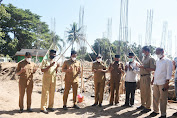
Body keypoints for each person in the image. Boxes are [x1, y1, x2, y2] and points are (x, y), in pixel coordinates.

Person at [150, 48, 173, 118]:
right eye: (156, 53)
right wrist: (153, 79)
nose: (157, 54)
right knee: (155, 97)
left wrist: (167, 82)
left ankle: (163, 114)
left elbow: (169, 72)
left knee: (163, 99)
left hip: (163, 82)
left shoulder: (167, 61)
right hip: (156, 82)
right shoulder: (157, 61)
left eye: (158, 52)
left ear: (162, 52)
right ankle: (155, 111)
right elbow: (156, 71)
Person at [137, 46, 156, 113]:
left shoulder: (151, 59)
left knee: (148, 92)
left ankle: (148, 107)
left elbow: (153, 69)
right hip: (142, 77)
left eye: (143, 51)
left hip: (147, 77)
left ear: (147, 51)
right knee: (142, 92)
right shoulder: (144, 58)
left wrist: (144, 67)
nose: (142, 52)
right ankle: (143, 104)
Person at [40, 50, 60, 114]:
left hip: (53, 80)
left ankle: (50, 106)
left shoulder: (55, 62)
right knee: (45, 93)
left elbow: (55, 71)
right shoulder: (45, 61)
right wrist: (50, 66)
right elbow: (42, 70)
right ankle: (43, 107)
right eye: (52, 54)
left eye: (54, 54)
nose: (53, 55)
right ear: (49, 54)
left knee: (52, 93)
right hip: (46, 79)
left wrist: (57, 67)